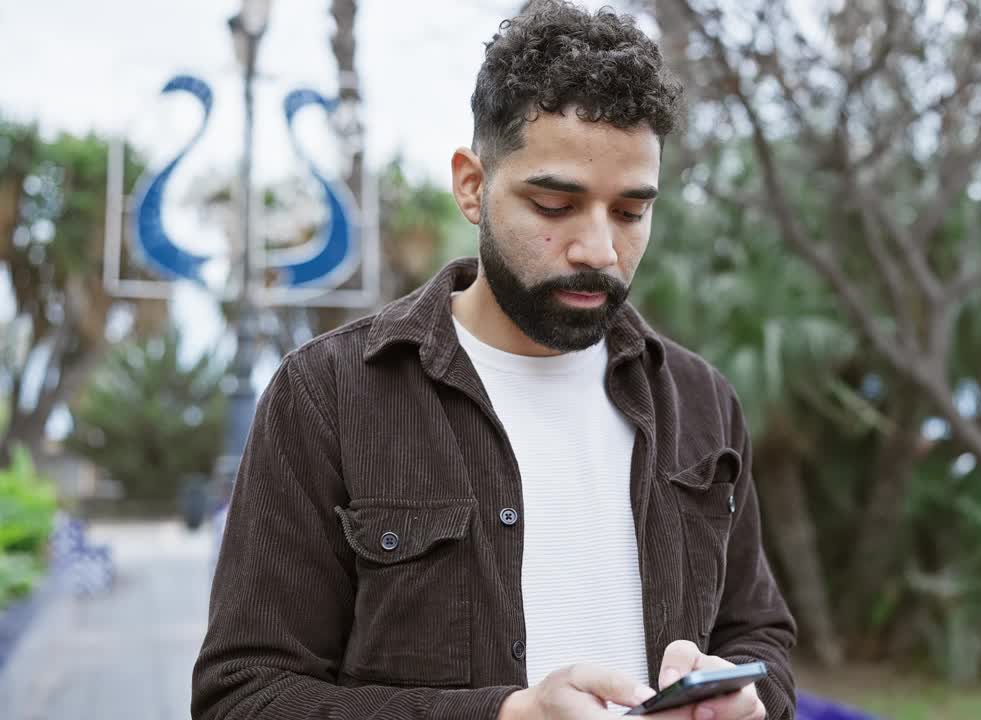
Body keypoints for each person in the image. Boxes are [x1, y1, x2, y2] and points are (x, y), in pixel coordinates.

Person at [191, 2, 796, 718]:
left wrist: (752, 698)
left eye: (631, 213)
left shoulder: (701, 402)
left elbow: (762, 635)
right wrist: (503, 715)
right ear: (472, 186)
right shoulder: (327, 395)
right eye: (553, 204)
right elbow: (243, 696)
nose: (599, 249)